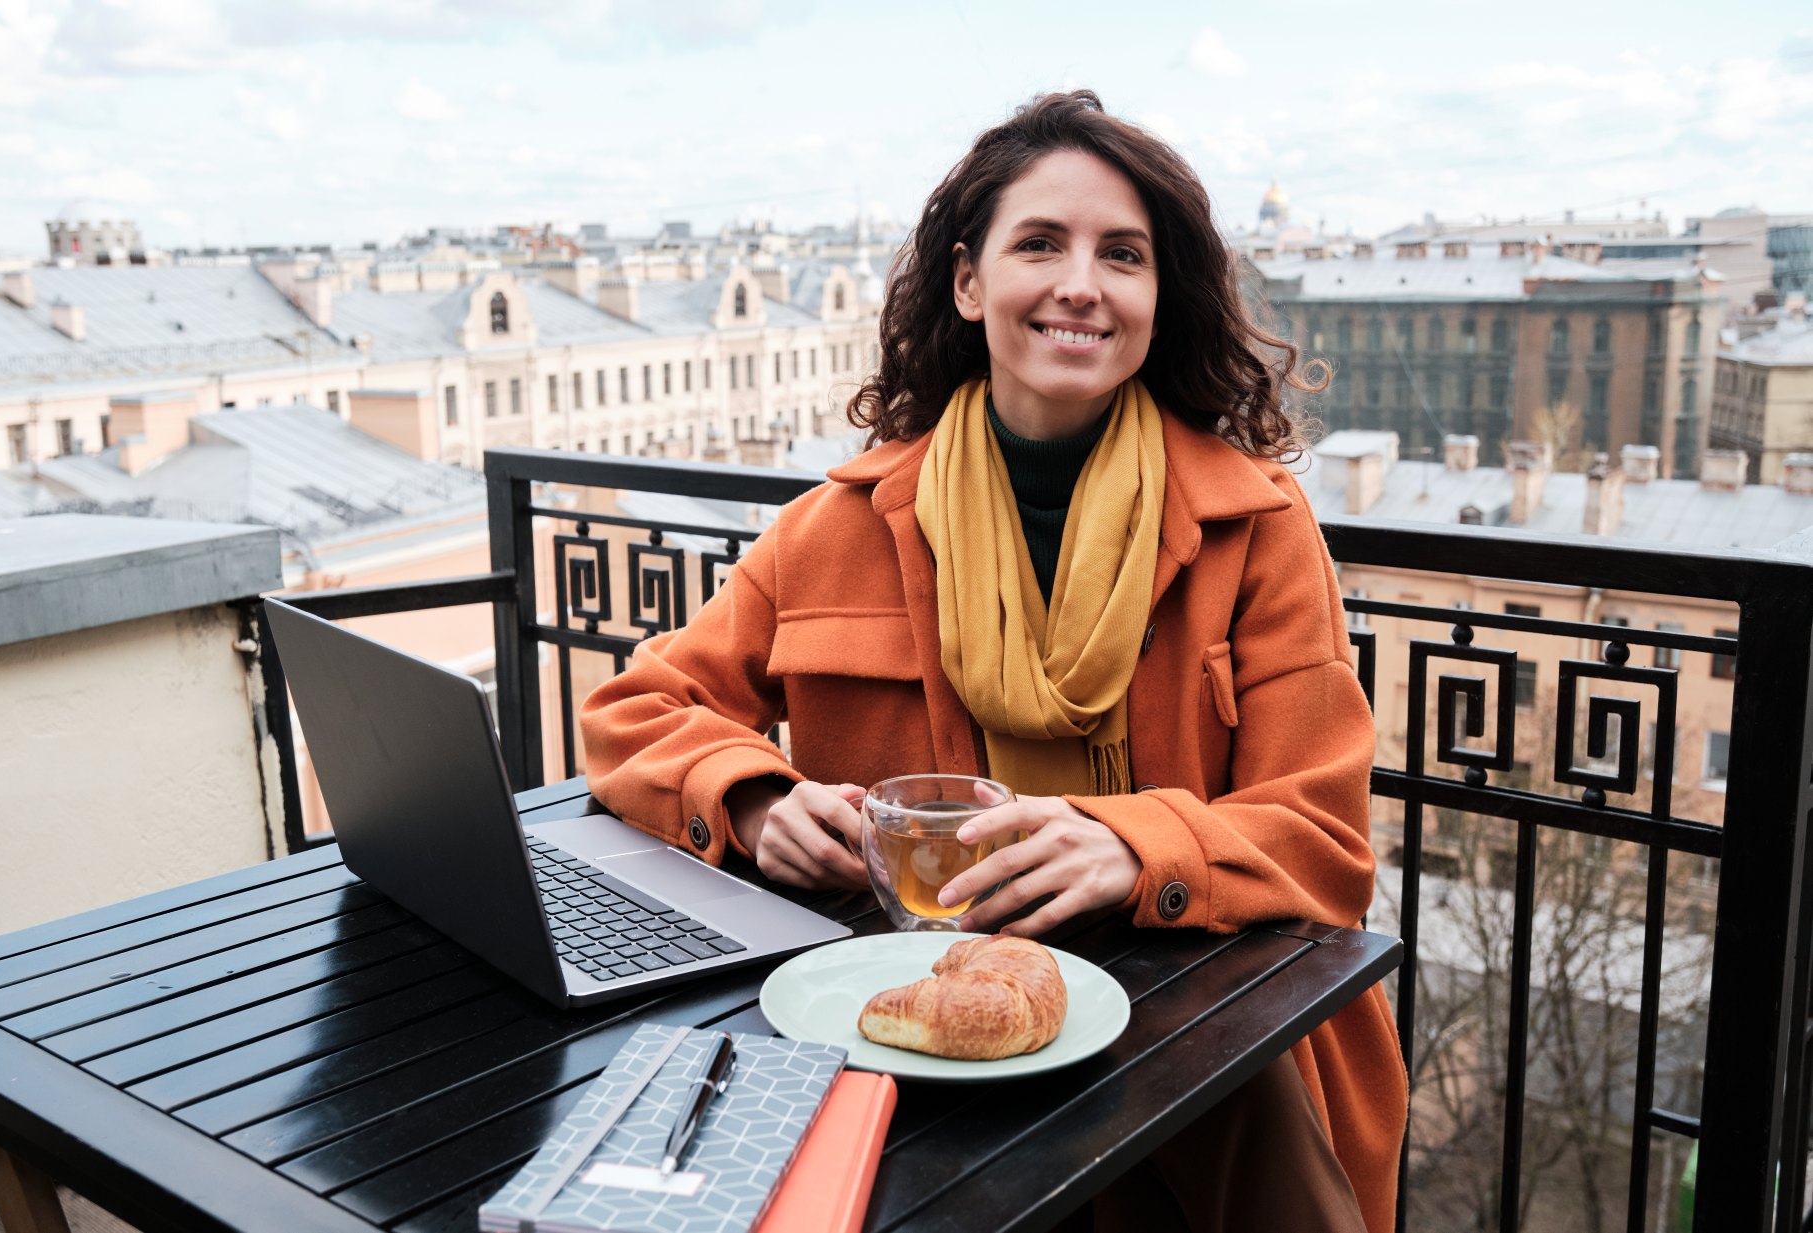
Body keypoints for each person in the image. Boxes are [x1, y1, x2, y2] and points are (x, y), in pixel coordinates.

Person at [582, 90, 1407, 1232]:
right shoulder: (837, 527)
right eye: (1040, 244)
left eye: (1123, 255)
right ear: (970, 284)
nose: (1082, 283)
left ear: (1156, 300)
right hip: (912, 1045)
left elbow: (1323, 840)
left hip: (1196, 1064)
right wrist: (756, 800)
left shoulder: (1254, 528)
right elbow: (635, 708)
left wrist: (1134, 847)